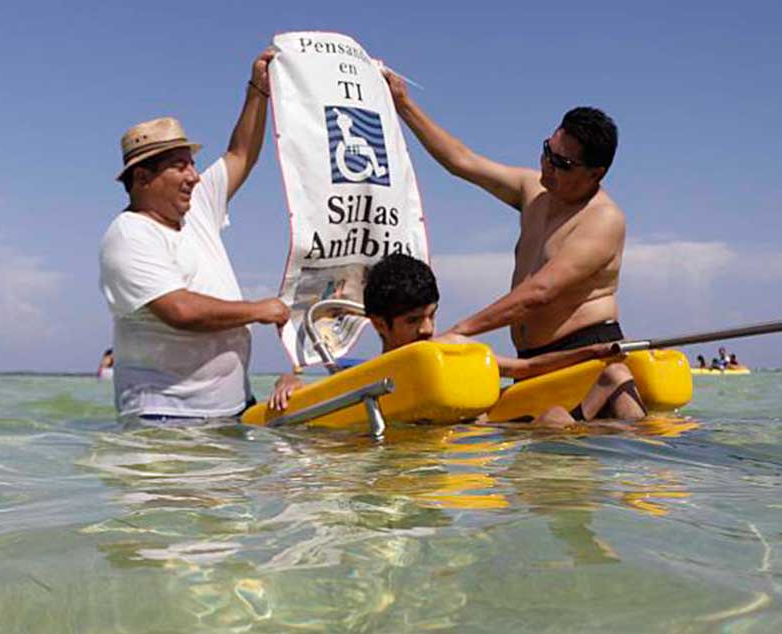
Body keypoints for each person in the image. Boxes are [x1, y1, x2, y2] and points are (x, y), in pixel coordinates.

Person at [384, 73, 645, 421]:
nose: (547, 167)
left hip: (586, 350)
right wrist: (404, 105)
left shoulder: (602, 220)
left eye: (562, 164)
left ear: (595, 174)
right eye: (547, 152)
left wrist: (460, 332)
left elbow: (540, 291)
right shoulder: (532, 190)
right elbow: (461, 161)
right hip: (531, 358)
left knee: (561, 436)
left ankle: (612, 387)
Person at [99, 45, 289, 420]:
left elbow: (240, 154)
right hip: (165, 420)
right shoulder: (128, 235)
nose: (195, 176)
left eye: (193, 164)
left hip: (232, 412)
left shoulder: (198, 207)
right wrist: (259, 310)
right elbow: (180, 311)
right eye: (180, 166)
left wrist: (258, 90)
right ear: (143, 178)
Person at [270, 254, 638, 424]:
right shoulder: (362, 373)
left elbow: (525, 368)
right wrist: (289, 379)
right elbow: (315, 381)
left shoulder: (449, 350)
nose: (428, 329)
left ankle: (647, 484)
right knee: (556, 419)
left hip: (487, 446)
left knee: (613, 378)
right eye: (413, 320)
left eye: (431, 314)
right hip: (436, 464)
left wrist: (596, 352)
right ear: (379, 324)